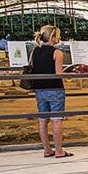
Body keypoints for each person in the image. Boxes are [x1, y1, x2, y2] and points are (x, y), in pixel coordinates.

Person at [29, 25, 72, 158]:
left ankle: (47, 149)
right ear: (53, 38)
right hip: (54, 89)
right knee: (56, 120)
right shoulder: (57, 53)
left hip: (40, 89)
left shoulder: (34, 51)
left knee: (42, 120)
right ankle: (59, 150)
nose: (59, 38)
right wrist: (69, 72)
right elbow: (58, 73)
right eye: (58, 36)